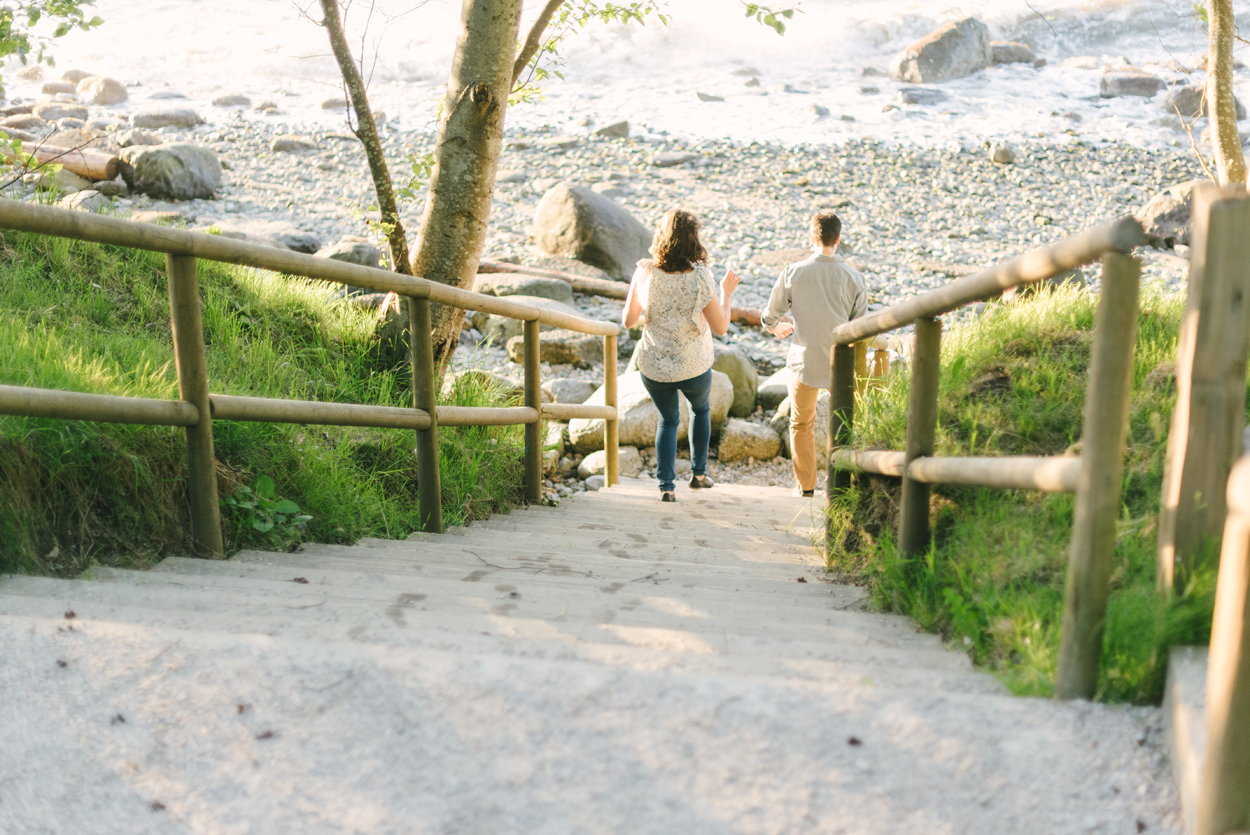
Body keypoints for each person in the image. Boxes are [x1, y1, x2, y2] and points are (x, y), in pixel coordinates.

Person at [623, 208, 740, 502]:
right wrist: (726, 293)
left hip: (655, 364)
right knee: (700, 411)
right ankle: (698, 475)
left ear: (661, 236)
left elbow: (628, 320)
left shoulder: (644, 272)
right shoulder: (700, 277)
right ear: (693, 240)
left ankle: (666, 487)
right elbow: (721, 326)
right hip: (693, 364)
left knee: (667, 420)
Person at [761, 210, 867, 498]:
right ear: (839, 238)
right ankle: (841, 488)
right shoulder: (855, 278)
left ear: (812, 236)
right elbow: (859, 328)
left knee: (800, 423)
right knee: (844, 424)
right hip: (840, 364)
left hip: (803, 362)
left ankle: (806, 486)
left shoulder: (793, 272)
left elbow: (769, 318)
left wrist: (778, 328)